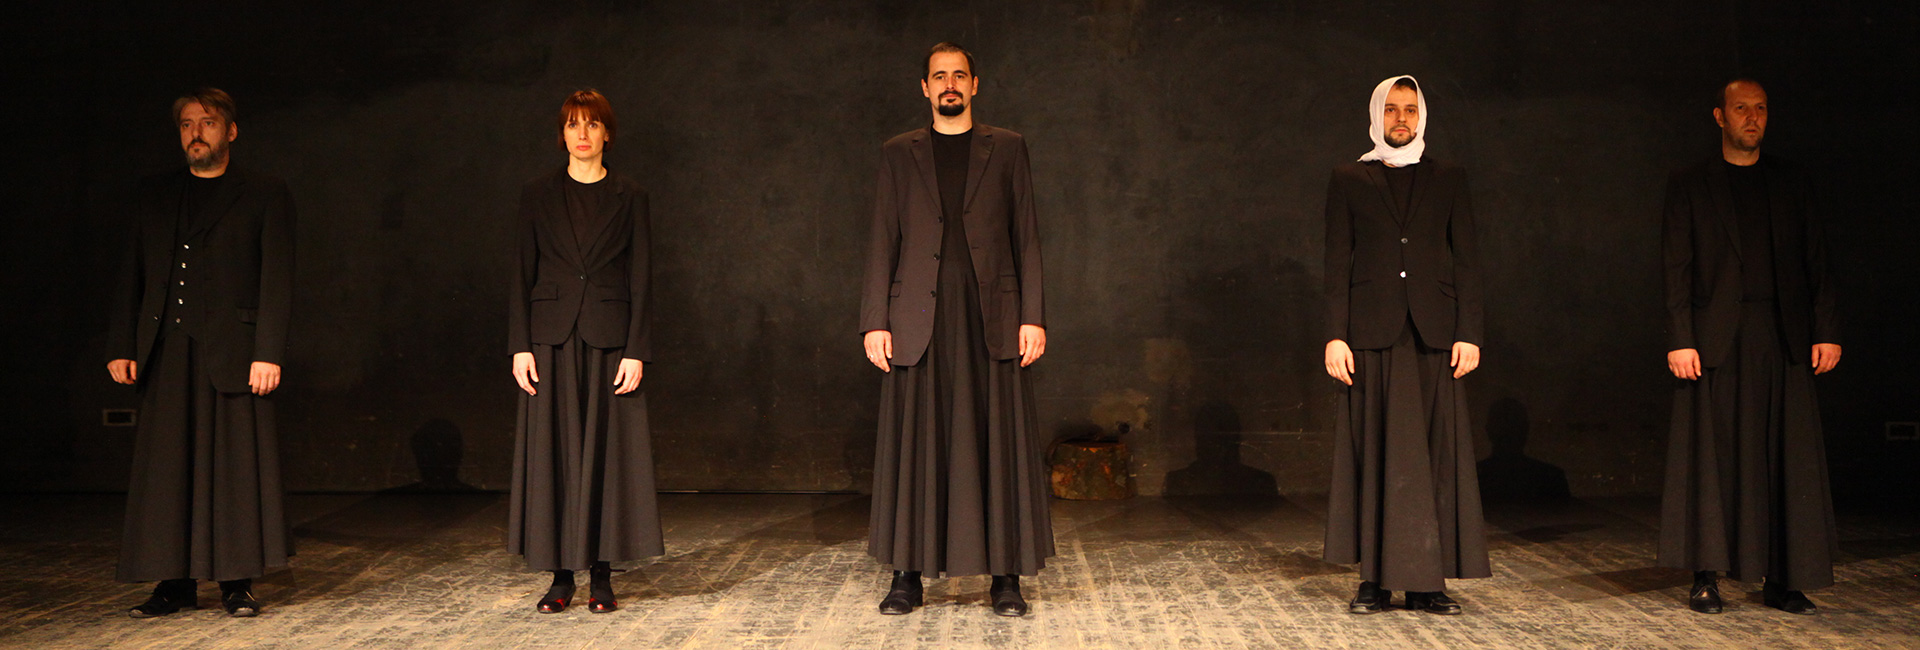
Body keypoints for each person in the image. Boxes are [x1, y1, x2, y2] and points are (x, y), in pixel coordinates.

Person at [858, 42, 1053, 617]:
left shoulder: (1008, 147)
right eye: (939, 76)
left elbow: (1027, 235)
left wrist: (1033, 314)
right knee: (917, 442)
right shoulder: (899, 153)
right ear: (925, 87)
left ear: (974, 84)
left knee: (998, 441)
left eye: (958, 75)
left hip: (991, 313)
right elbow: (883, 239)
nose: (949, 84)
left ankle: (1006, 578)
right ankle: (907, 575)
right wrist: (874, 321)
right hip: (917, 318)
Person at [106, 88, 296, 618]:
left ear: (230, 131)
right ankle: (174, 582)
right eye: (187, 124)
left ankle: (236, 582)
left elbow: (278, 278)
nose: (196, 132)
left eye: (207, 123)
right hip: (167, 348)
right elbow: (132, 272)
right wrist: (122, 344)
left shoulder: (264, 192)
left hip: (235, 350)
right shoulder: (155, 193)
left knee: (233, 467)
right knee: (169, 468)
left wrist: (269, 352)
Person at [1658, 79, 1840, 616]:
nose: (1752, 117)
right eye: (1741, 108)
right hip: (1717, 339)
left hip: (1783, 334)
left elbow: (1817, 261)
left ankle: (1784, 579)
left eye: (1760, 108)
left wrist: (1826, 328)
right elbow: (1675, 267)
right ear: (1720, 116)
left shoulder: (1791, 181)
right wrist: (1680, 339)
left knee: (1787, 456)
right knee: (1714, 456)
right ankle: (1706, 576)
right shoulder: (1690, 183)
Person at [1321, 75, 1489, 616]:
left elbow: (1467, 261)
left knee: (1433, 459)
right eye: (1392, 109)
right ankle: (1374, 580)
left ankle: (1426, 583)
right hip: (1371, 334)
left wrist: (1469, 332)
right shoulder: (1350, 177)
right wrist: (1335, 335)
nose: (1401, 119)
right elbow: (1336, 262)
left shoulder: (1449, 177)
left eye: (1410, 110)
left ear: (1421, 116)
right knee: (1375, 455)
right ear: (1378, 115)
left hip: (1433, 334)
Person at [506, 89, 661, 614]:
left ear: (606, 133)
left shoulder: (630, 195)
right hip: (550, 338)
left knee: (605, 458)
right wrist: (520, 346)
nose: (582, 133)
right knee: (555, 454)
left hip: (609, 339)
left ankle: (601, 574)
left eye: (592, 124)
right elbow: (520, 273)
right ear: (563, 134)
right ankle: (559, 576)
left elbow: (642, 276)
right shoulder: (537, 194)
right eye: (573, 124)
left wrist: (636, 349)